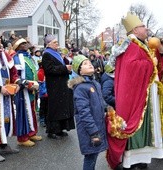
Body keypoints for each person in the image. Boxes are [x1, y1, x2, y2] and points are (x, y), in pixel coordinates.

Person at [106, 12, 163, 170]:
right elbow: (131, 68)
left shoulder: (141, 44)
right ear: (135, 30)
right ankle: (133, 161)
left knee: (146, 125)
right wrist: (150, 64)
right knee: (137, 125)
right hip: (136, 96)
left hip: (145, 94)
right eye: (143, 26)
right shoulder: (131, 45)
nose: (146, 29)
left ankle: (142, 159)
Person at [68, 55, 107, 170]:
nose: (89, 64)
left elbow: (100, 103)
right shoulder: (81, 88)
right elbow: (84, 113)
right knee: (90, 157)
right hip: (89, 130)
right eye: (85, 64)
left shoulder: (95, 83)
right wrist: (94, 132)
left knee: (93, 155)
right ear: (79, 70)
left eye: (89, 62)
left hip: (97, 125)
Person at [0, 31, 20, 162]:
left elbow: (13, 71)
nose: (0, 39)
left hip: (6, 94)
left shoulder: (3, 54)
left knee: (5, 119)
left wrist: (17, 83)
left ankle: (3, 145)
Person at [42, 34, 75, 139]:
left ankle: (60, 129)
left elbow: (59, 66)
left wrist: (66, 65)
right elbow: (49, 69)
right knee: (55, 107)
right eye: (55, 42)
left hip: (62, 84)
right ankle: (52, 131)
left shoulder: (56, 53)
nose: (57, 44)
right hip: (54, 85)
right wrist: (65, 68)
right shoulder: (46, 54)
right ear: (49, 44)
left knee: (62, 107)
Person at [13, 38, 42, 147]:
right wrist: (26, 84)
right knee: (23, 113)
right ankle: (22, 138)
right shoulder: (17, 57)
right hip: (22, 90)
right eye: (23, 43)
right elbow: (16, 75)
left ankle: (31, 132)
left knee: (32, 111)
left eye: (26, 43)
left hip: (31, 89)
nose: (26, 45)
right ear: (17, 46)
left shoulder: (28, 56)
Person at [37, 60, 48, 127]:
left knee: (46, 106)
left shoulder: (44, 72)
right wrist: (44, 92)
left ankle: (45, 119)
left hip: (47, 92)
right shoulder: (40, 72)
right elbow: (41, 84)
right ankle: (42, 119)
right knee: (43, 107)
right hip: (43, 93)